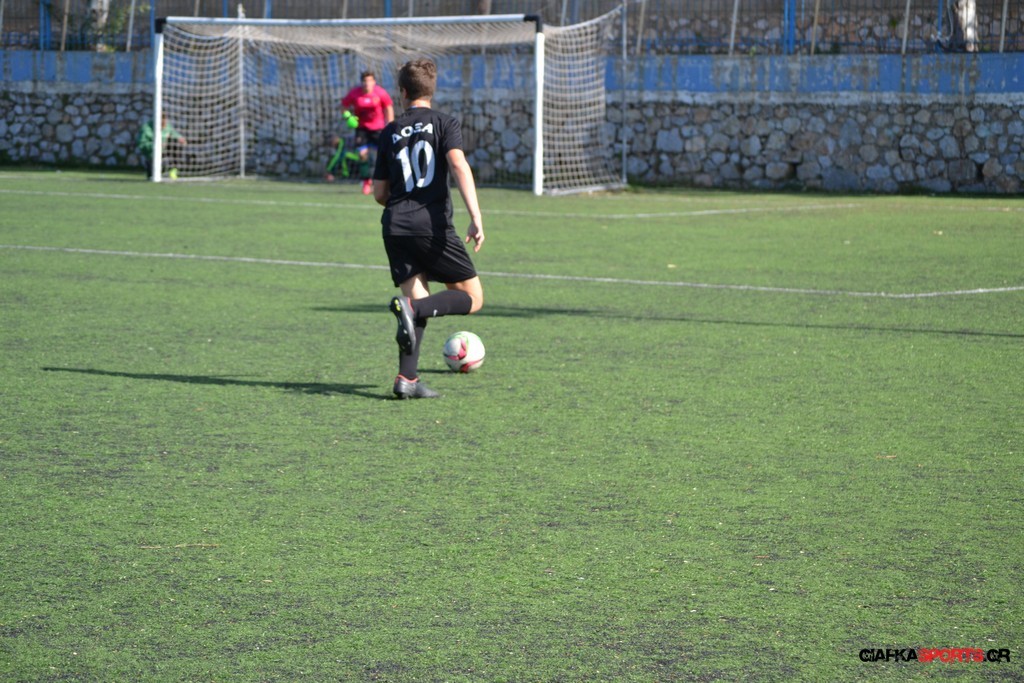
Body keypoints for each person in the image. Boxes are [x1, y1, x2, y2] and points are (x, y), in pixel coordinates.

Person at [372, 58, 485, 400]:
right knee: (472, 298)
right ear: (431, 92)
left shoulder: (389, 131)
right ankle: (412, 311)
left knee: (416, 300)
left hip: (395, 226)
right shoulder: (444, 123)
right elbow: (458, 165)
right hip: (431, 226)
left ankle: (407, 378)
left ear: (402, 92)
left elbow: (379, 193)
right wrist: (476, 215)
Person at [341, 70, 394, 194]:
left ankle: (384, 182)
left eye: (370, 80)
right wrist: (348, 117)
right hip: (362, 129)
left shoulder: (380, 93)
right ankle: (366, 181)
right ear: (361, 82)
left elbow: (388, 107)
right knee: (362, 155)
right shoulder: (354, 93)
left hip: (378, 129)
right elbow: (343, 106)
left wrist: (390, 125)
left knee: (382, 157)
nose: (367, 83)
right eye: (365, 81)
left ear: (374, 82)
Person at [137, 114, 186, 179]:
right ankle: (155, 169)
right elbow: (142, 145)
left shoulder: (167, 126)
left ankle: (173, 169)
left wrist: (179, 138)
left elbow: (174, 134)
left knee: (176, 144)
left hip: (165, 151)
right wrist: (156, 145)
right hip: (152, 154)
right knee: (152, 176)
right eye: (162, 123)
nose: (165, 124)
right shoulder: (146, 128)